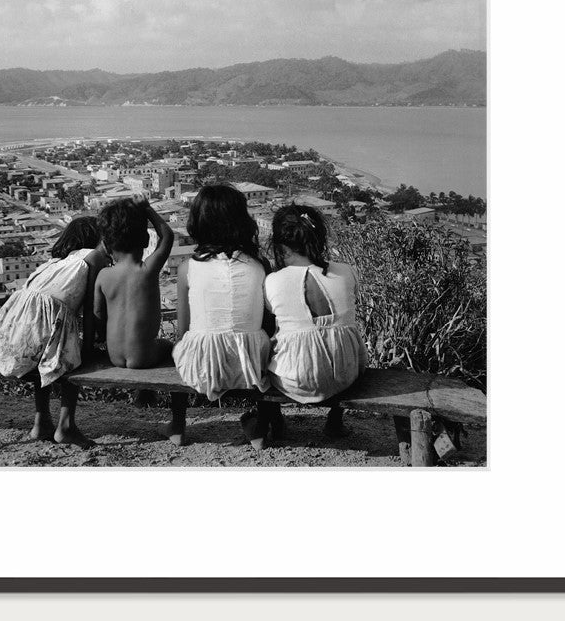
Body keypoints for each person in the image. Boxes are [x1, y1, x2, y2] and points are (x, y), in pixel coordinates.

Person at [0, 216, 108, 447]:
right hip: (40, 325)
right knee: (72, 360)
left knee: (43, 355)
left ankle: (41, 421)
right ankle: (66, 426)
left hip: (10, 335)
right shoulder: (92, 257)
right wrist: (90, 345)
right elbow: (92, 310)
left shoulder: (52, 264)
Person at [172, 183, 275, 448]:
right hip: (251, 366)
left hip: (202, 367)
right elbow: (267, 322)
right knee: (265, 343)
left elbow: (182, 332)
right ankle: (261, 427)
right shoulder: (260, 265)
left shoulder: (187, 268)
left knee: (181, 347)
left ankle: (177, 426)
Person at [264, 203, 367, 437]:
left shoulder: (272, 281)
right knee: (334, 341)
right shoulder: (346, 271)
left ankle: (275, 422)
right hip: (347, 372)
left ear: (282, 246)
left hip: (297, 378)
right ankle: (334, 422)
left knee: (266, 344)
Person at [94, 197, 175, 369]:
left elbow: (98, 313)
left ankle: (144, 393)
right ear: (146, 240)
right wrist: (147, 208)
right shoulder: (147, 270)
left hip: (113, 355)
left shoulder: (103, 276)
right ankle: (151, 393)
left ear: (107, 247)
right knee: (170, 347)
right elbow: (167, 236)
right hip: (144, 356)